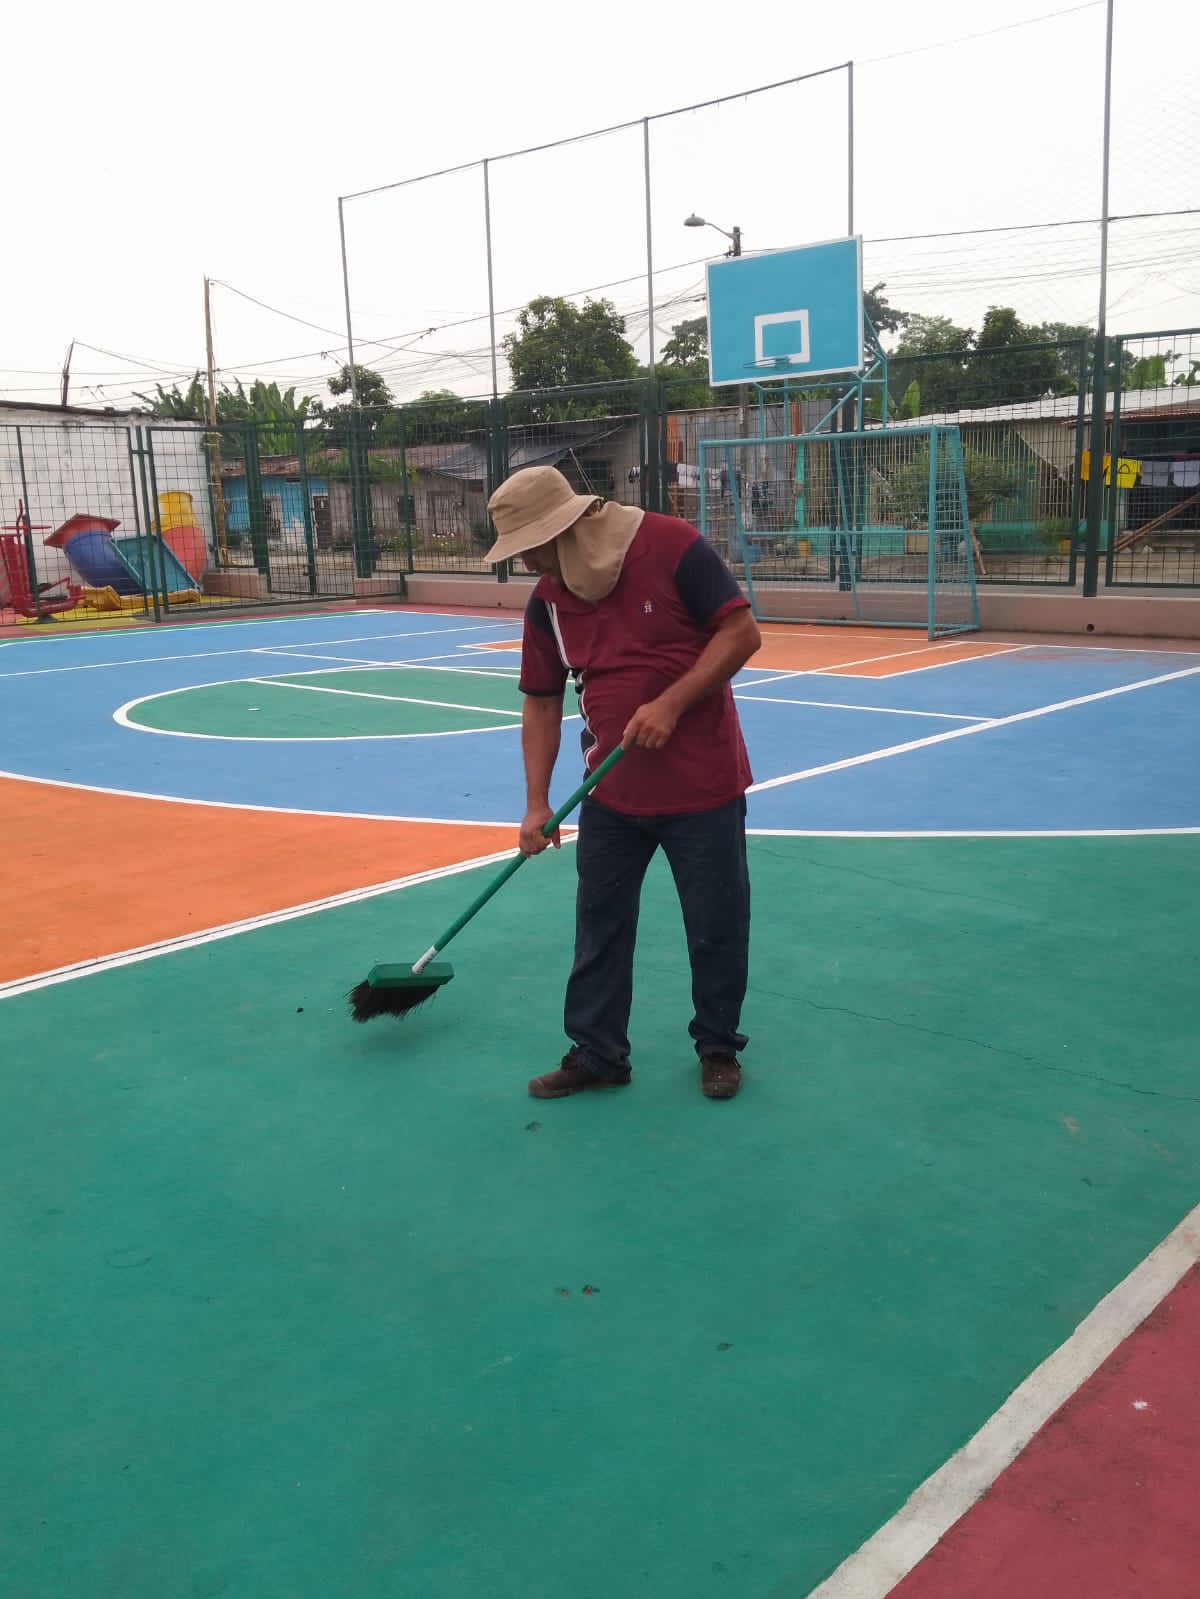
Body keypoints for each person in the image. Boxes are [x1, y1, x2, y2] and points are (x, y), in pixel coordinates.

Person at [482, 465, 761, 1102]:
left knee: (716, 925)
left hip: (704, 788)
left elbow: (742, 632)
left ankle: (718, 1046)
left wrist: (672, 703)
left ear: (563, 530)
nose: (526, 564)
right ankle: (598, 1052)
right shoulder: (547, 602)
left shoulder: (671, 546)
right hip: (609, 794)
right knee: (599, 925)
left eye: (530, 547)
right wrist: (535, 803)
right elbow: (541, 702)